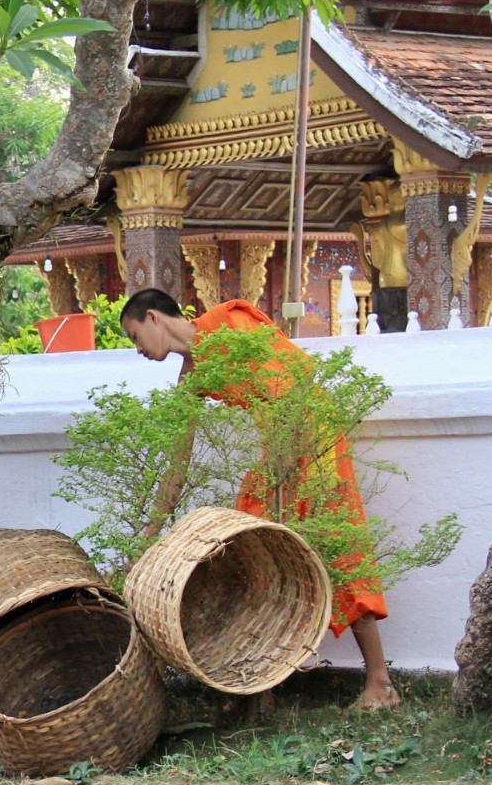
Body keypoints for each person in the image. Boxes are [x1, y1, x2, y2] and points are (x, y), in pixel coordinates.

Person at [118, 288, 399, 711]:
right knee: (251, 552)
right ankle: (260, 687)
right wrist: (150, 531)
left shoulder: (231, 324)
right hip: (279, 449)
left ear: (154, 318)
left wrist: (286, 476)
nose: (137, 349)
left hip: (313, 436)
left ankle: (380, 684)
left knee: (335, 548)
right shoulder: (191, 376)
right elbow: (178, 461)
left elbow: (292, 393)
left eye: (134, 336)